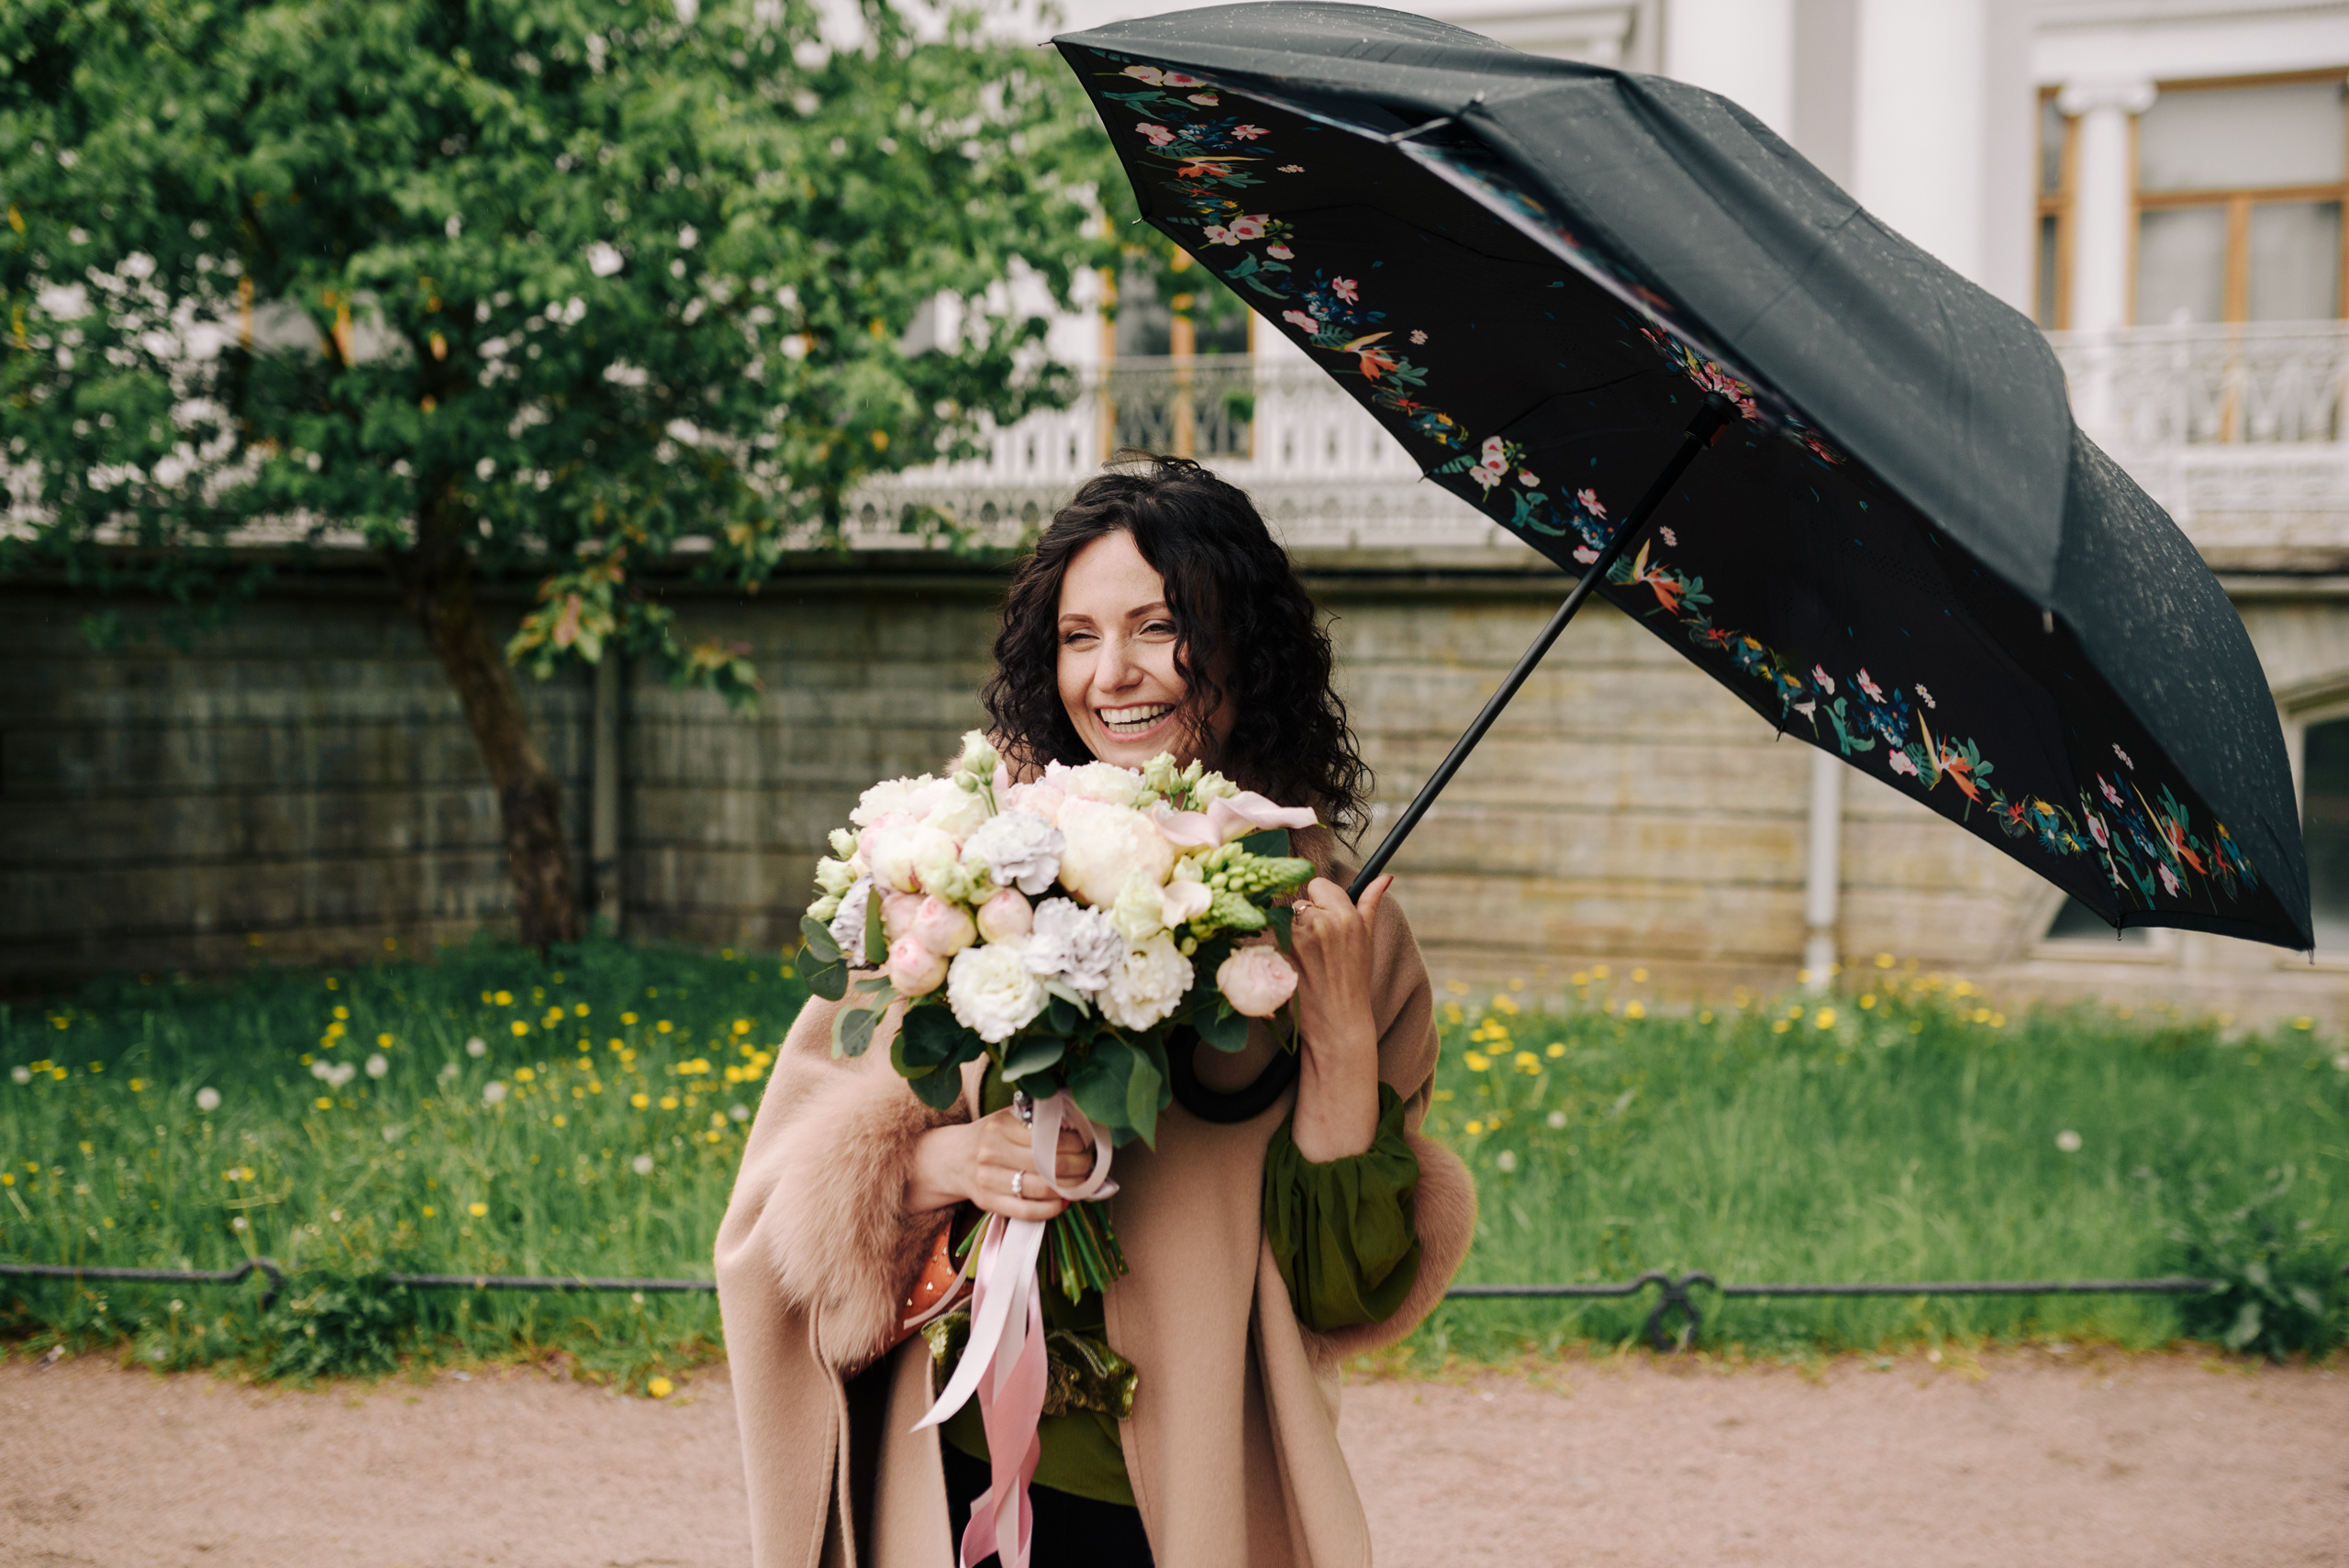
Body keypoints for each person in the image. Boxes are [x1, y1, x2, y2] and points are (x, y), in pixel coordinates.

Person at [715, 455, 1476, 1568]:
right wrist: (944, 1163)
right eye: (1078, 635)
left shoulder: (1333, 923)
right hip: (952, 1472)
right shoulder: (965, 863)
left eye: (1158, 626)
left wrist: (1342, 1039)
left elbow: (1339, 1290)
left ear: (1240, 643)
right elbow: (781, 1219)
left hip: (1186, 1497)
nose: (1113, 673)